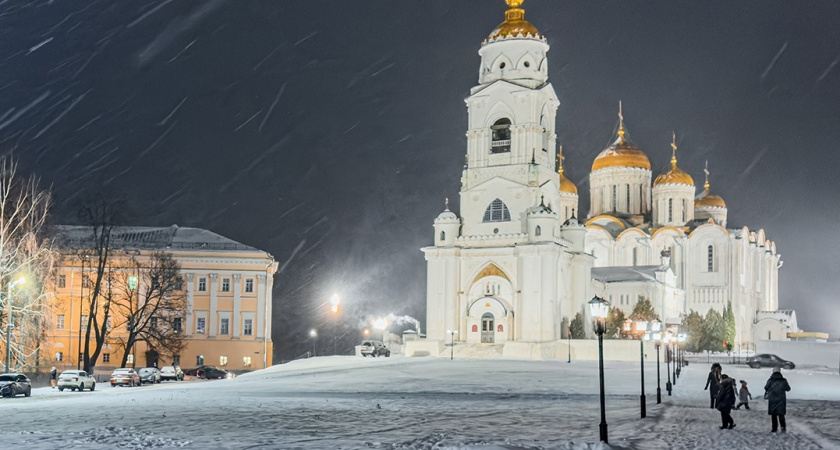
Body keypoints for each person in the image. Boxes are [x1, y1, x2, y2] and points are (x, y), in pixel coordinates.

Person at [764, 367, 791, 433]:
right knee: (781, 414)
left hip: (773, 399)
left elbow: (766, 387)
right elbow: (788, 389)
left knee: (774, 415)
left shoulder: (770, 380)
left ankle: (774, 428)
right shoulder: (783, 380)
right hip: (781, 399)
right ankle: (783, 427)